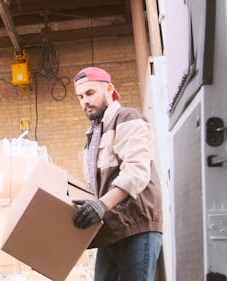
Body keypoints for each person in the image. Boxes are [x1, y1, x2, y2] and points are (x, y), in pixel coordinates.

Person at [71, 66, 163, 281]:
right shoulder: (93, 135)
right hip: (111, 229)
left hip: (135, 227)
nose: (85, 101)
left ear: (109, 89)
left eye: (90, 93)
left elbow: (136, 170)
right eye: (80, 96)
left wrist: (101, 205)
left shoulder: (127, 118)